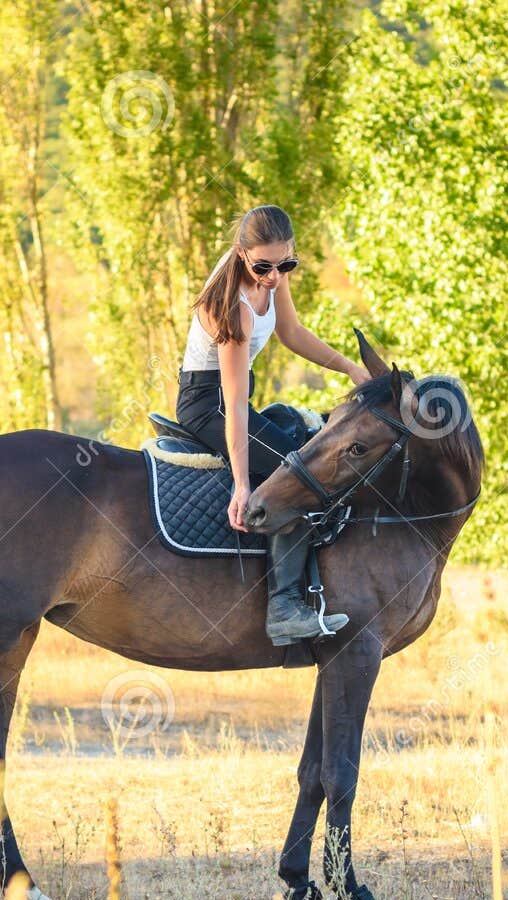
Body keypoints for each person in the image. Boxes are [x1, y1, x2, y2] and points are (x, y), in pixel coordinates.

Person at [174, 205, 370, 645]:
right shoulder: (233, 307)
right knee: (297, 474)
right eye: (263, 266)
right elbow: (235, 406)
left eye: (286, 264)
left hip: (236, 396)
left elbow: (292, 332)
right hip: (209, 404)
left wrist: (349, 369)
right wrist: (243, 485)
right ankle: (283, 607)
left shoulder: (271, 275)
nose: (274, 276)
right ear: (241, 254)